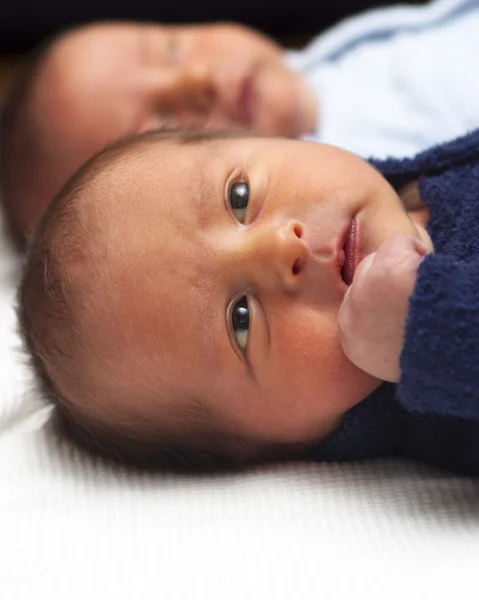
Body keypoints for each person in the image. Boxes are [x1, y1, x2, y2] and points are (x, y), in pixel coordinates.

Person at [18, 124, 479, 476]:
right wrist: (430, 330)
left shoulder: (416, 180)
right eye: (241, 320)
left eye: (239, 198)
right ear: (277, 445)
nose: (279, 247)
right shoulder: (447, 411)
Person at [2, 0, 479, 244]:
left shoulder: (313, 63)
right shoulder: (357, 182)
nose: (196, 76)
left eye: (170, 47)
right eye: (162, 121)